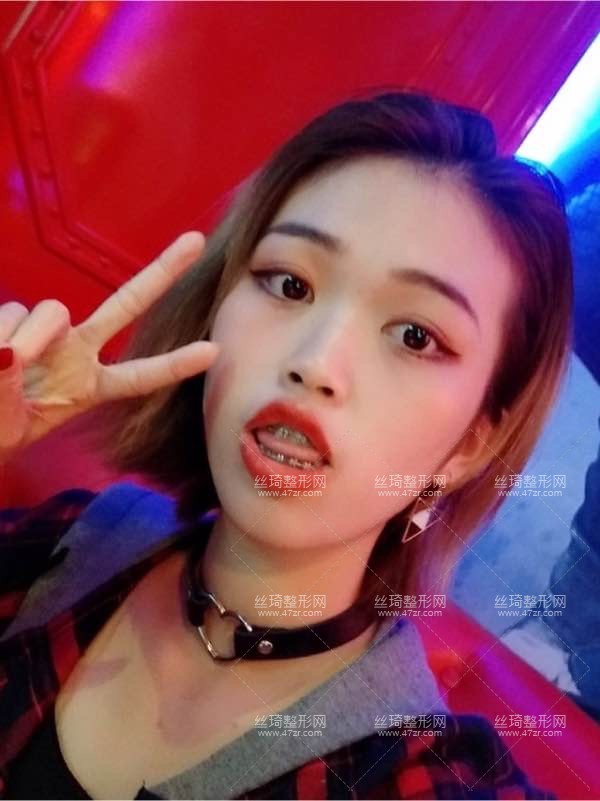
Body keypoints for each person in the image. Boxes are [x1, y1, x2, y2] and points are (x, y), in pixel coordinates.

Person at [0, 88, 572, 799]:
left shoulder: (422, 776)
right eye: (290, 284)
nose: (315, 361)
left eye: (415, 335)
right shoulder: (63, 544)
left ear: (471, 445)